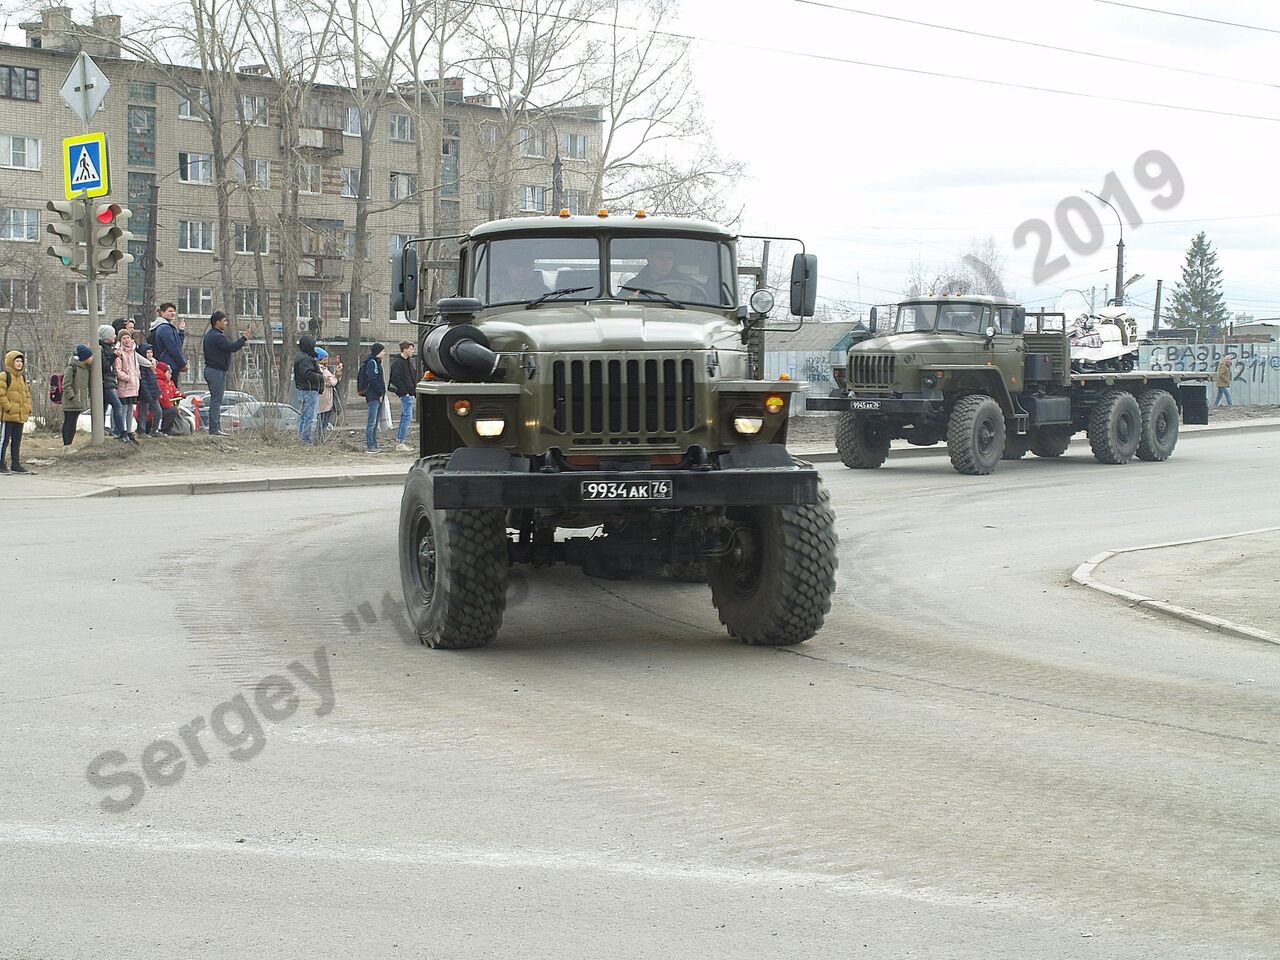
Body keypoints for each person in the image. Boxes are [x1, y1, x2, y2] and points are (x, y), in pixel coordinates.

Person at [202, 310, 251, 436]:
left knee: (216, 400)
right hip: (215, 371)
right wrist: (244, 338)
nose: (226, 323)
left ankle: (215, 427)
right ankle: (214, 429)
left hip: (213, 370)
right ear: (217, 322)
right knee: (216, 401)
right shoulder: (217, 336)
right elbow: (231, 347)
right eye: (224, 321)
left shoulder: (210, 335)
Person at [0, 350, 32, 473]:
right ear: (10, 362)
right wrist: (9, 407)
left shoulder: (22, 378)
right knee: (4, 440)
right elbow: (1, 395)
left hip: (20, 415)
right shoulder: (4, 376)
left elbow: (26, 394)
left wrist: (28, 407)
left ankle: (16, 464)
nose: (19, 363)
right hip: (7, 416)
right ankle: (1, 463)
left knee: (17, 440)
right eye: (17, 361)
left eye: (21, 361)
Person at [60, 345, 94, 451]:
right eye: (90, 356)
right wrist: (73, 397)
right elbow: (66, 384)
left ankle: (69, 445)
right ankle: (66, 445)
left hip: (79, 402)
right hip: (70, 402)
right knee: (68, 422)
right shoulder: (71, 368)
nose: (92, 358)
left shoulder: (86, 369)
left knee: (73, 423)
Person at [292, 333, 324, 443]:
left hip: (303, 389)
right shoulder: (306, 359)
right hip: (309, 390)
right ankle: (306, 439)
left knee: (304, 417)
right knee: (309, 418)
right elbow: (308, 374)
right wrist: (321, 376)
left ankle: (302, 438)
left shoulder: (301, 356)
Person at [99, 324, 127, 440]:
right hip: (106, 383)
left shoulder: (109, 348)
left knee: (104, 408)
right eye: (113, 335)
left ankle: (102, 432)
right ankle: (121, 432)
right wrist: (114, 356)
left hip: (109, 382)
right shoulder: (101, 349)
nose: (115, 336)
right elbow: (104, 366)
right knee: (117, 406)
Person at [149, 303, 188, 385]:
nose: (173, 313)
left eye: (174, 311)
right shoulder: (164, 328)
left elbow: (178, 345)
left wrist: (181, 332)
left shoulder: (169, 327)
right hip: (168, 365)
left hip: (171, 364)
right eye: (170, 311)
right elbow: (173, 348)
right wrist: (182, 364)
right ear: (162, 313)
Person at [389, 341, 417, 451]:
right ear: (405, 349)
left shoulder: (408, 361)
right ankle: (401, 442)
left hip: (409, 393)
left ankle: (400, 441)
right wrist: (404, 392)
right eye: (410, 349)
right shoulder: (398, 363)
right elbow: (396, 378)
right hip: (405, 394)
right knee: (407, 417)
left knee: (405, 417)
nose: (412, 351)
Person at [114, 330, 141, 443]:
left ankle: (130, 431)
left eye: (128, 338)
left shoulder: (134, 352)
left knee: (131, 408)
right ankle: (123, 430)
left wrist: (137, 376)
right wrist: (127, 377)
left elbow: (137, 366)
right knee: (123, 408)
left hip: (134, 385)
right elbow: (118, 370)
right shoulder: (119, 353)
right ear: (120, 340)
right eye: (124, 338)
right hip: (124, 385)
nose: (126, 340)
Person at [360, 342, 387, 453]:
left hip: (376, 395)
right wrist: (380, 392)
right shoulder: (372, 363)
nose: (384, 353)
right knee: (372, 422)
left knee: (375, 422)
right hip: (373, 395)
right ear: (378, 352)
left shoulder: (377, 362)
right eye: (383, 351)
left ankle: (374, 444)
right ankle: (370, 445)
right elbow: (373, 378)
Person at [135, 340, 162, 437]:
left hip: (152, 392)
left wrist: (158, 391)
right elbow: (144, 381)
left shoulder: (152, 363)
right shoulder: (142, 366)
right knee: (143, 413)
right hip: (144, 393)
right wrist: (147, 394)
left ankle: (154, 430)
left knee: (158, 411)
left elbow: (154, 380)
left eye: (151, 352)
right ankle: (141, 430)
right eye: (147, 352)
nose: (150, 354)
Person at [156, 361, 186, 435]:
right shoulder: (160, 383)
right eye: (168, 373)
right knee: (173, 410)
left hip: (166, 407)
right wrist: (172, 406)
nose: (170, 375)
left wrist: (180, 395)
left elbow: (174, 391)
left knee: (174, 410)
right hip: (161, 408)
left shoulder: (170, 382)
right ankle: (165, 430)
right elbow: (164, 399)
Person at [316, 348, 338, 436]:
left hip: (326, 399)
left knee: (324, 421)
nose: (327, 359)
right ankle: (319, 438)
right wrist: (335, 377)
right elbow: (332, 382)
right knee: (322, 421)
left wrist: (335, 375)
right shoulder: (320, 369)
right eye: (325, 357)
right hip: (324, 399)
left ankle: (320, 437)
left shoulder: (325, 369)